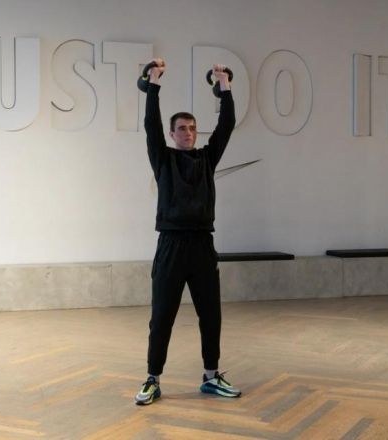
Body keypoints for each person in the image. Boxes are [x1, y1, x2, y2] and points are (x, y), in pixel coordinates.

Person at [135, 58, 241, 405]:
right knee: (161, 317)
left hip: (202, 246)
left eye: (192, 128)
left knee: (211, 315)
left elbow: (227, 124)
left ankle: (211, 377)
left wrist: (224, 85)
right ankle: (152, 379)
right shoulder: (163, 159)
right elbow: (150, 124)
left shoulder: (207, 159)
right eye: (181, 128)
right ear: (172, 134)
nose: (188, 133)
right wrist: (153, 83)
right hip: (171, 246)